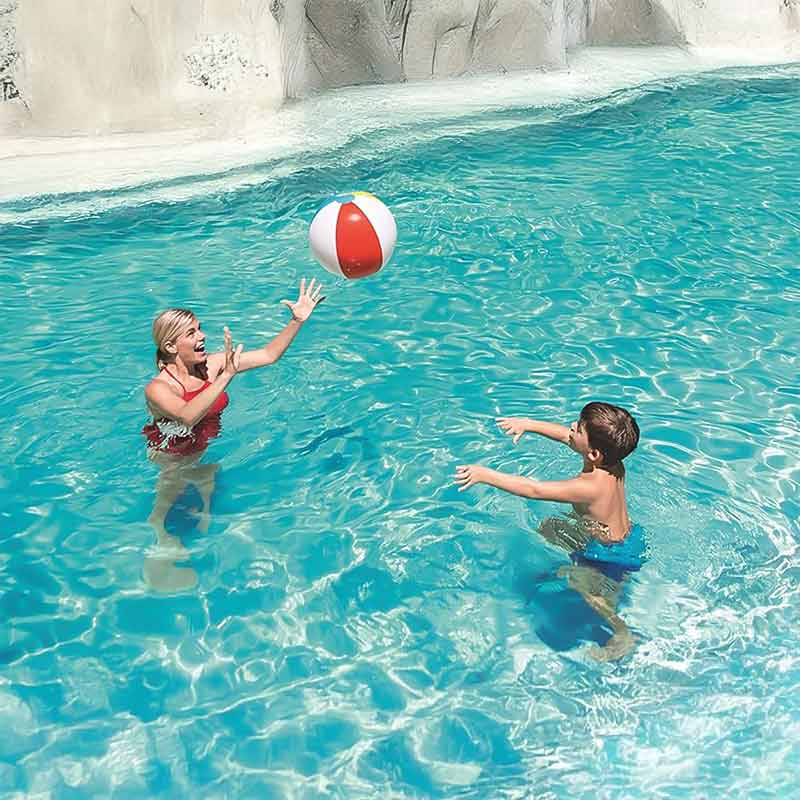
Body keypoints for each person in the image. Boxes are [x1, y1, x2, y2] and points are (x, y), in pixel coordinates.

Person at [142, 277, 325, 591]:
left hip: (203, 450)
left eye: (200, 328)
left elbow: (268, 355)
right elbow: (187, 416)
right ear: (171, 347)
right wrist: (226, 375)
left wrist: (297, 320)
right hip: (172, 458)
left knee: (204, 510)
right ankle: (159, 552)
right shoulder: (158, 388)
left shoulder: (212, 366)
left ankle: (198, 555)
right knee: (164, 511)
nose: (202, 336)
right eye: (191, 333)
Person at [454, 402, 642, 661]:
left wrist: (484, 475)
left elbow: (534, 490)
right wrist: (528, 424)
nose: (571, 427)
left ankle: (622, 633)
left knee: (587, 590)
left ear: (594, 454)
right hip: (627, 537)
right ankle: (565, 568)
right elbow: (566, 436)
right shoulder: (613, 463)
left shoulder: (588, 487)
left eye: (579, 428)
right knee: (550, 527)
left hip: (608, 556)